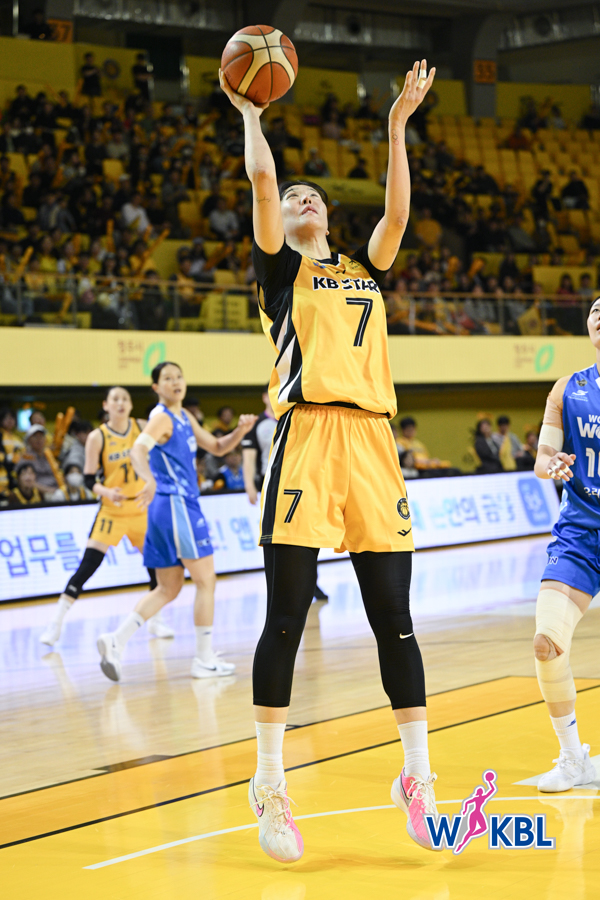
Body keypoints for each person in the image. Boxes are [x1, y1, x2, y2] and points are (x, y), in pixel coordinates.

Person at [220, 57, 440, 862]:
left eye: (313, 197)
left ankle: (418, 778)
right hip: (307, 440)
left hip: (373, 444)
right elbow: (261, 181)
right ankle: (270, 783)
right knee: (285, 617)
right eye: (294, 199)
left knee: (396, 621)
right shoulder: (281, 272)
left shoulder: (364, 268)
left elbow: (398, 211)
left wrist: (396, 126)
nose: (302, 200)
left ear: (328, 216)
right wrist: (251, 115)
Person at [96, 362, 257, 682]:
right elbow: (137, 451)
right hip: (177, 504)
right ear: (156, 387)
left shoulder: (184, 417)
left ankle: (116, 640)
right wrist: (149, 479)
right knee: (206, 581)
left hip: (164, 509)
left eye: (179, 376)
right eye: (167, 378)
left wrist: (240, 431)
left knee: (167, 588)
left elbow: (217, 446)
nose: (175, 382)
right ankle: (204, 659)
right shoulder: (162, 418)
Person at [530, 296, 600, 792]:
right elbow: (542, 457)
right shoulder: (567, 388)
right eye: (596, 310)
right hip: (579, 532)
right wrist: (552, 463)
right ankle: (573, 758)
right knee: (546, 643)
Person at [39, 387, 171, 646]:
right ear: (106, 405)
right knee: (88, 565)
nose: (120, 403)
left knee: (157, 567)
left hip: (141, 508)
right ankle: (56, 623)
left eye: (125, 399)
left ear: (130, 405)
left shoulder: (142, 427)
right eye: (115, 399)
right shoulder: (97, 436)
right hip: (112, 510)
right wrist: (107, 492)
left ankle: (156, 620)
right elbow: (89, 479)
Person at [241, 390, 329, 603]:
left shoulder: (298, 415)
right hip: (273, 484)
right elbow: (249, 458)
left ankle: (311, 584)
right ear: (264, 396)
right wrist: (249, 485)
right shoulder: (258, 424)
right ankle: (282, 591)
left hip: (301, 481)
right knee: (278, 539)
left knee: (307, 535)